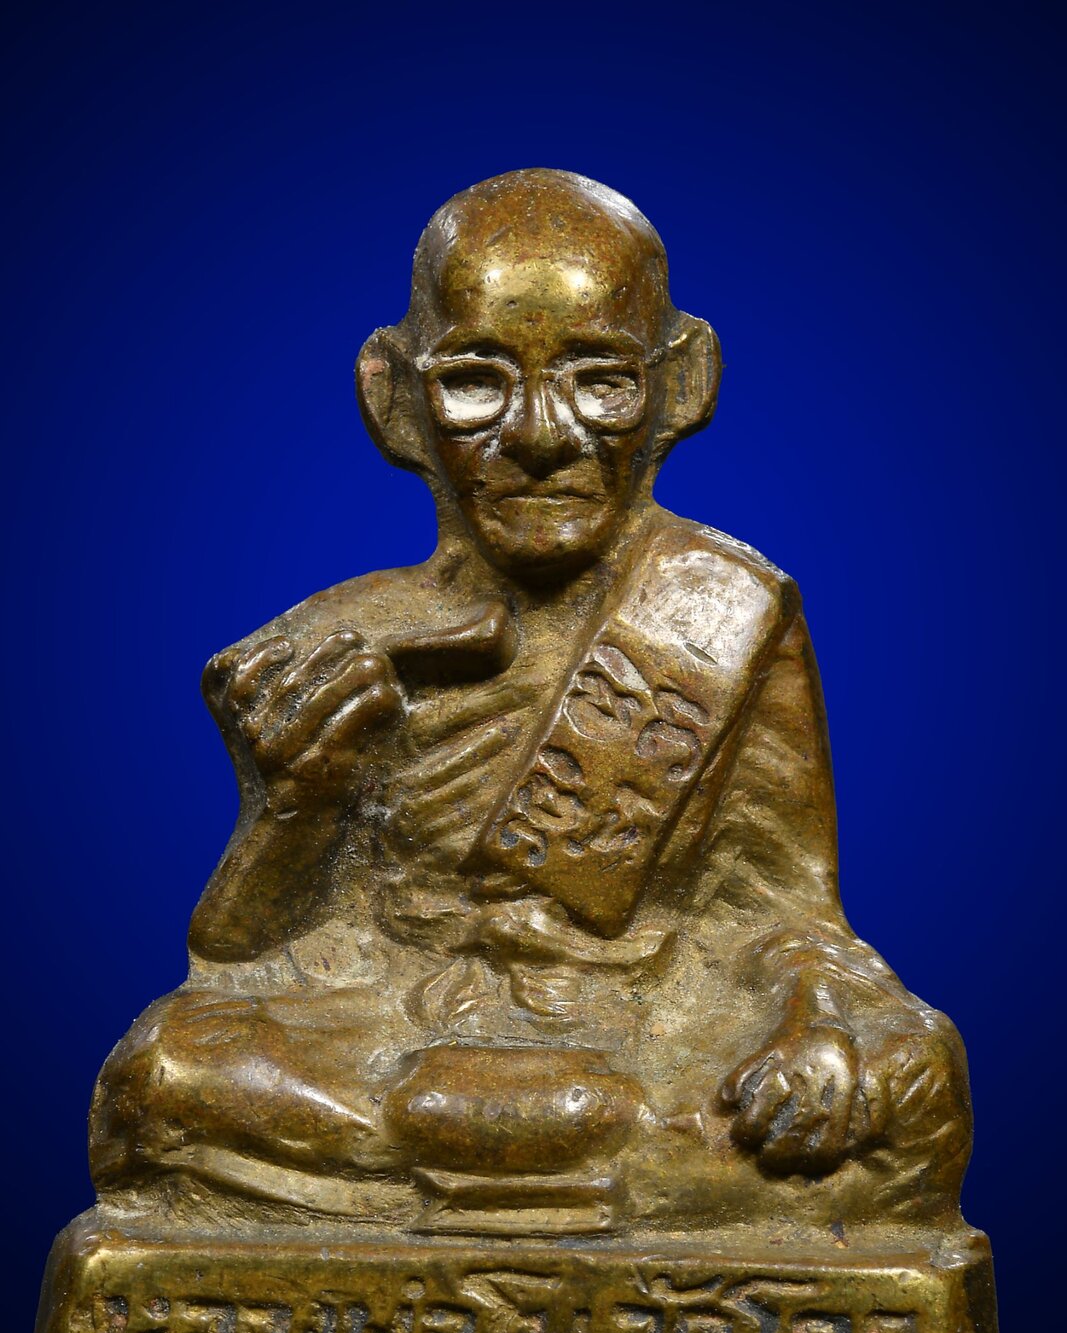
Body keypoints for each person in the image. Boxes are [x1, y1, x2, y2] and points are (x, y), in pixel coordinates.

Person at [89, 169, 971, 1229]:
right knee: (163, 1073)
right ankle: (564, 1187)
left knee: (914, 1076)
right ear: (393, 399)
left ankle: (445, 1186)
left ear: (681, 385)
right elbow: (239, 961)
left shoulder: (715, 609)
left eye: (601, 382)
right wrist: (295, 802)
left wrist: (817, 1023)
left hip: (637, 1032)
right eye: (476, 382)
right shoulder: (343, 634)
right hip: (399, 1035)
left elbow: (785, 917)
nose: (543, 434)